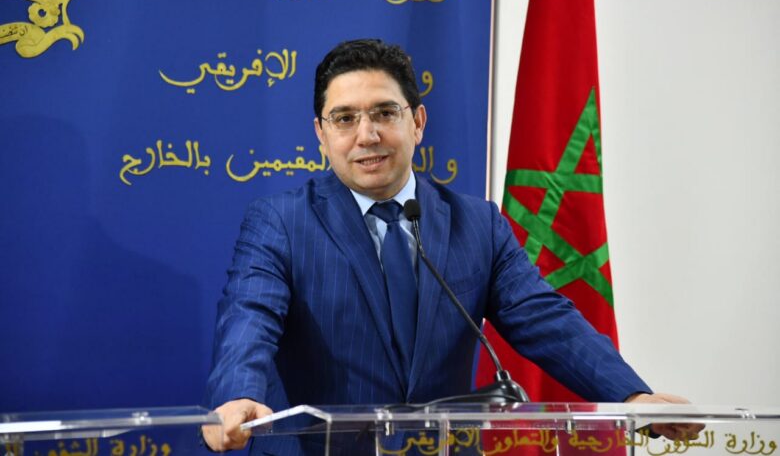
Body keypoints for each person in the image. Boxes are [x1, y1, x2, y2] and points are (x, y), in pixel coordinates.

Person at [202, 39, 698, 454]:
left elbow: (546, 320)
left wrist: (632, 396)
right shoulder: (281, 223)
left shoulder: (478, 225)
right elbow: (249, 317)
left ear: (417, 122)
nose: (366, 135)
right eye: (344, 118)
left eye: (384, 113)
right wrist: (238, 394)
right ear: (321, 134)